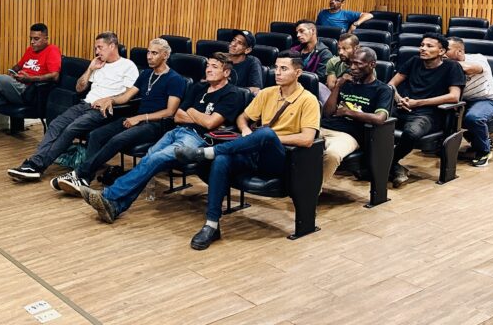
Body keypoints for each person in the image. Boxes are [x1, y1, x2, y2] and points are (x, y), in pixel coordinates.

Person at [175, 51, 320, 251]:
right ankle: (212, 225)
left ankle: (209, 152)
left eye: (283, 69)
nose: (277, 72)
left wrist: (264, 138)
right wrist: (244, 129)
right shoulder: (268, 93)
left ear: (298, 72)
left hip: (283, 159)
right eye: (276, 67)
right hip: (253, 153)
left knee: (267, 134)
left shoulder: (308, 100)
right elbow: (242, 117)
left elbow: (307, 139)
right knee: (222, 161)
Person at [81, 53, 246, 223]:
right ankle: (115, 207)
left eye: (215, 67)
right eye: (208, 65)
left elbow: (211, 123)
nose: (209, 69)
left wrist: (192, 112)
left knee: (156, 158)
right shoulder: (198, 87)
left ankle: (109, 195)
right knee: (149, 159)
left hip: (198, 140)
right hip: (177, 131)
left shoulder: (232, 94)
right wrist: (198, 116)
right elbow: (178, 116)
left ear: (226, 73)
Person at [51, 38, 185, 194]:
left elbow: (170, 112)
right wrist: (111, 100)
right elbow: (126, 97)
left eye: (154, 53)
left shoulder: (176, 79)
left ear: (166, 55)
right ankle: (84, 179)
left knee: (117, 139)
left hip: (156, 125)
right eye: (148, 52)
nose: (149, 56)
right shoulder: (146, 74)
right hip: (137, 120)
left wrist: (141, 118)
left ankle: (80, 174)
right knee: (96, 135)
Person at [7, 32, 138, 181]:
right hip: (84, 104)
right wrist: (90, 69)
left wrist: (110, 100)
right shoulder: (98, 64)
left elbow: (129, 95)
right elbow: (79, 88)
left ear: (112, 46)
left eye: (100, 47)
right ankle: (34, 163)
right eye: (95, 48)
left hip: (102, 110)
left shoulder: (128, 66)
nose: (96, 52)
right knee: (56, 124)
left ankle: (37, 166)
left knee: (71, 129)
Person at [386, 33, 465, 187]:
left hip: (430, 113)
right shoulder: (414, 61)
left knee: (411, 132)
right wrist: (399, 99)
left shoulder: (452, 67)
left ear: (442, 51)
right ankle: (393, 167)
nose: (423, 49)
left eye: (429, 46)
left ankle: (386, 164)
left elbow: (454, 97)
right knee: (374, 120)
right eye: (422, 45)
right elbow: (391, 85)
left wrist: (419, 103)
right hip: (404, 107)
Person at [320, 47, 394, 185]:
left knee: (332, 155)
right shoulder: (346, 84)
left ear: (372, 65)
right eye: (352, 63)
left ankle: (310, 194)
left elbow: (379, 119)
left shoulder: (382, 90)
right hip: (324, 127)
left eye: (358, 64)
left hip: (349, 135)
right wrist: (337, 86)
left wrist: (347, 112)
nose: (353, 68)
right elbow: (328, 113)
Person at [446, 37, 493, 167]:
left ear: (459, 51)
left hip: (487, 99)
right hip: (465, 101)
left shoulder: (477, 58)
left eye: (446, 49)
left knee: (474, 118)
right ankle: (481, 141)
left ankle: (484, 151)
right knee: (448, 116)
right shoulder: (446, 64)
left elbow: (470, 69)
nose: (442, 52)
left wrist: (443, 63)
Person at [228, 30, 262, 95]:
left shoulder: (253, 62)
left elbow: (256, 89)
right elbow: (204, 81)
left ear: (247, 50)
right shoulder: (222, 58)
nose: (233, 44)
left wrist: (230, 91)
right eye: (234, 40)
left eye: (240, 43)